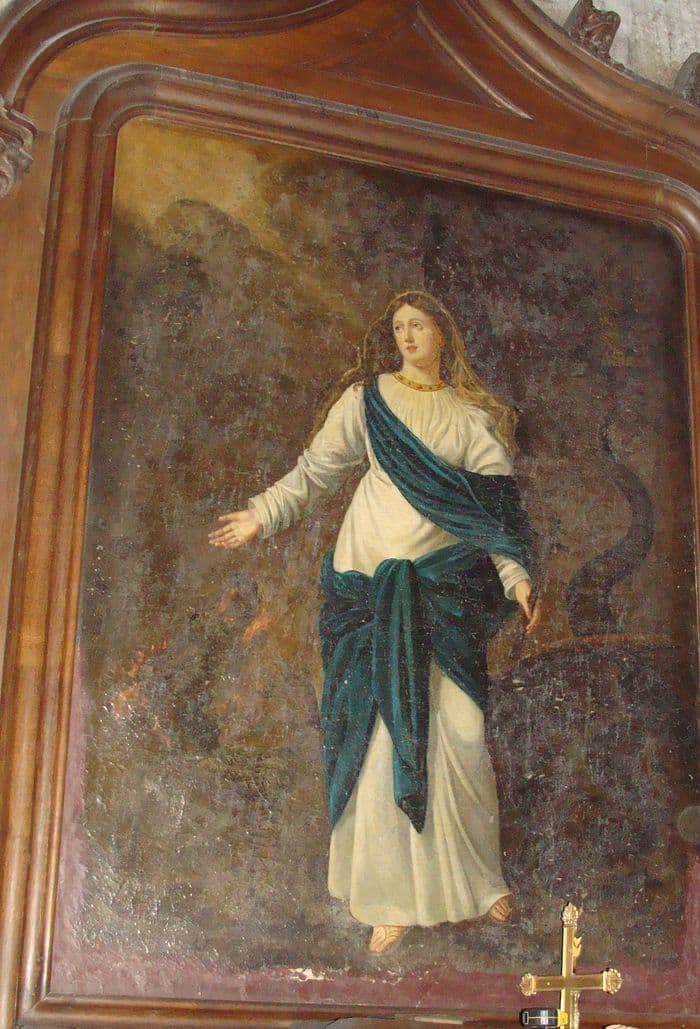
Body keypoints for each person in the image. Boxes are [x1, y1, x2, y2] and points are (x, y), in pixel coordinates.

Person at [209, 290, 540, 954]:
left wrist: (516, 577)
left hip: (439, 593)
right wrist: (260, 515)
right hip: (367, 589)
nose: (407, 337)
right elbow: (315, 472)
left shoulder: (470, 419)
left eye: (419, 326)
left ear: (443, 335)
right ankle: (388, 901)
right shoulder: (367, 402)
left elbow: (498, 515)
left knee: (461, 729)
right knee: (382, 736)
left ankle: (478, 881)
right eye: (399, 327)